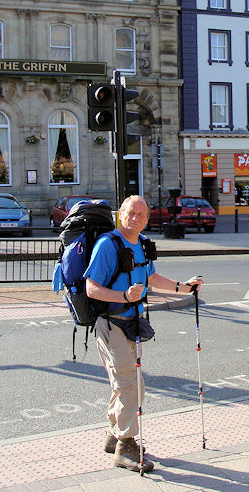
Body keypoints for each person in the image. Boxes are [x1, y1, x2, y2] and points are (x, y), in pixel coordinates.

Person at [84, 195, 203, 472]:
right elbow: (91, 288)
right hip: (112, 323)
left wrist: (183, 287)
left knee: (125, 382)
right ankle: (126, 446)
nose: (135, 218)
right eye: (130, 213)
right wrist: (124, 295)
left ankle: (114, 436)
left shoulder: (141, 245)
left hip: (131, 324)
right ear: (120, 214)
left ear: (148, 219)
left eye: (141, 214)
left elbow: (151, 278)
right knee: (131, 385)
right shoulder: (107, 245)